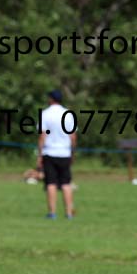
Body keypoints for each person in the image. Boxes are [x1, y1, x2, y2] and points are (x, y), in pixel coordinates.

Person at [38, 90, 76, 219]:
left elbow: (43, 136)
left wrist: (39, 154)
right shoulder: (68, 115)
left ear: (51, 99)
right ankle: (69, 213)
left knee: (51, 183)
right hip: (65, 152)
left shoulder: (45, 114)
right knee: (66, 183)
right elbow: (73, 136)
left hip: (50, 152)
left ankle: (52, 212)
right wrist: (72, 152)